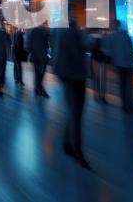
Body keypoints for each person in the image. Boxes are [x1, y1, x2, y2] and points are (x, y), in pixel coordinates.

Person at [51, 19, 90, 170]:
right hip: (77, 75)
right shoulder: (76, 32)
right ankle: (76, 149)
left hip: (65, 74)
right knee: (77, 113)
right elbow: (88, 44)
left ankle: (67, 142)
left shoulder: (57, 32)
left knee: (73, 110)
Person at [104, 21, 133, 113]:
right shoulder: (126, 35)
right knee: (129, 85)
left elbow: (108, 51)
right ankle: (129, 104)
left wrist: (111, 62)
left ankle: (125, 105)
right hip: (129, 64)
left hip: (119, 64)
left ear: (114, 26)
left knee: (122, 85)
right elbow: (131, 48)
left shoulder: (112, 37)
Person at [26, 22, 50, 97]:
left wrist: (31, 51)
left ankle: (37, 89)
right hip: (42, 56)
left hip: (35, 56)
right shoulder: (43, 31)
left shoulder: (31, 31)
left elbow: (28, 45)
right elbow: (47, 44)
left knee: (37, 73)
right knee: (40, 73)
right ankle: (39, 90)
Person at [89, 29, 109, 103]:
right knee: (102, 79)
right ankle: (102, 96)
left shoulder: (91, 37)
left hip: (95, 59)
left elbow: (90, 48)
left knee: (96, 78)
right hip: (102, 59)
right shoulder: (105, 37)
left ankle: (96, 95)